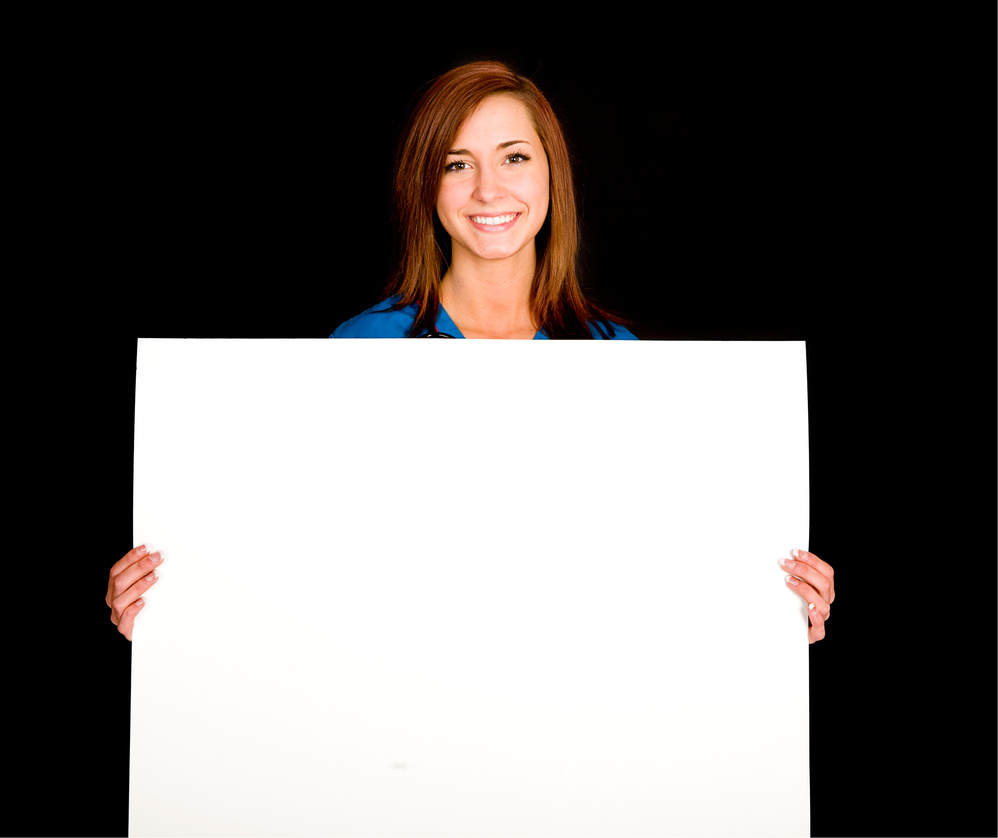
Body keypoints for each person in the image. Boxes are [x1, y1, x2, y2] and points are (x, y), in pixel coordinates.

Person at [107, 61, 834, 640]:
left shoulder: (618, 360)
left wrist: (767, 619)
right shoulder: (361, 352)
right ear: (426, 185)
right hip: (399, 738)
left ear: (551, 173)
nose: (489, 188)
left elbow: (655, 573)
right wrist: (179, 621)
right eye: (457, 164)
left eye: (513, 157)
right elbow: (302, 567)